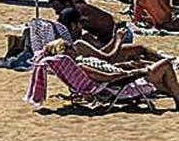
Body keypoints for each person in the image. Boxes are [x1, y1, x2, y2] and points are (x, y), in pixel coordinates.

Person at [43, 37, 179, 110]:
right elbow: (109, 77)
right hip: (122, 85)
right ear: (65, 53)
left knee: (162, 79)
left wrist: (125, 66)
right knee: (165, 65)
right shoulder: (81, 67)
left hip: (120, 80)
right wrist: (135, 72)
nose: (74, 48)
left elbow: (106, 68)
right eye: (69, 47)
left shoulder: (77, 66)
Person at [50, 0, 116, 46]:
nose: (56, 12)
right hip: (105, 35)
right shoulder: (76, 9)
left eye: (57, 7)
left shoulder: (78, 10)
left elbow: (73, 32)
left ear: (66, 3)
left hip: (110, 34)